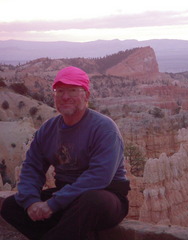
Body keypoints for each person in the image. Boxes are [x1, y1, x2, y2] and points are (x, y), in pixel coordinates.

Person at [0, 66, 130, 240]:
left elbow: (99, 177)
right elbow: (32, 167)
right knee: (11, 206)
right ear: (54, 96)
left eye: (73, 90)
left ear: (86, 96)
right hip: (65, 196)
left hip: (104, 196)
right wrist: (31, 202)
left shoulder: (104, 128)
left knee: (92, 201)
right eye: (60, 91)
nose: (65, 97)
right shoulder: (48, 129)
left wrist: (53, 204)